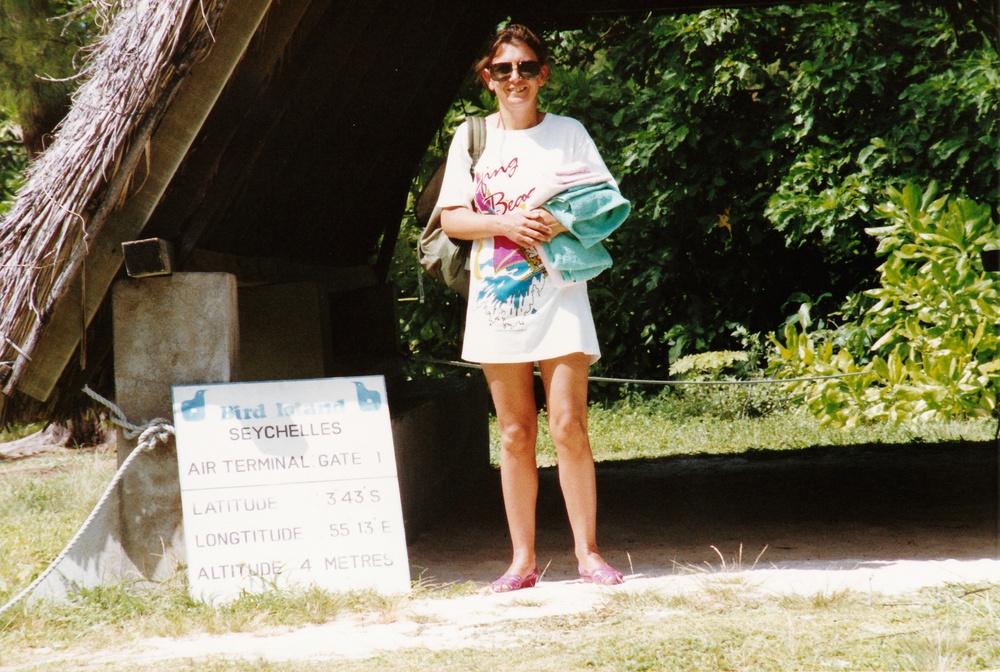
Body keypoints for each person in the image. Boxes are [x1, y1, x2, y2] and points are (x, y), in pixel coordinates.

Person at [436, 24, 627, 592]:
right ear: (487, 78)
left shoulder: (569, 133)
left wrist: (561, 221)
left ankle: (588, 554)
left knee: (569, 425)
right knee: (516, 433)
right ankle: (522, 562)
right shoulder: (471, 139)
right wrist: (504, 222)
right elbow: (452, 219)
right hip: (497, 303)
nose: (514, 77)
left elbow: (605, 204)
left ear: (542, 74)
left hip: (562, 296)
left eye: (525, 67)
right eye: (503, 69)